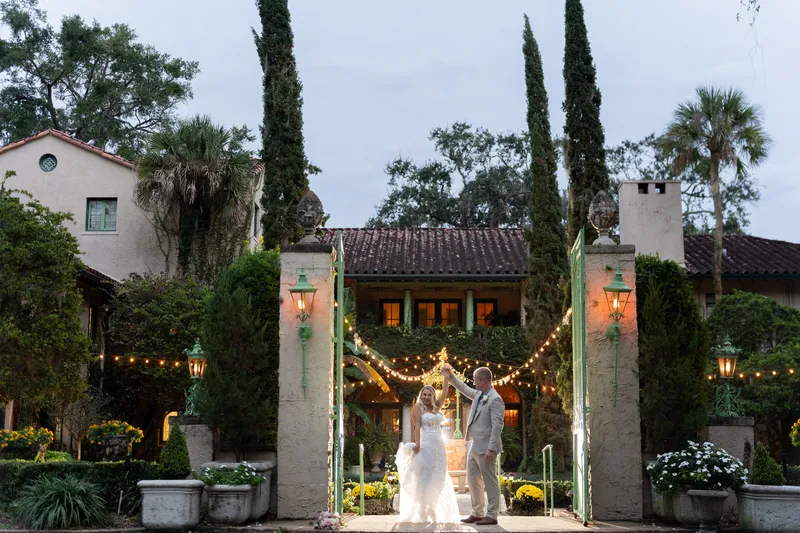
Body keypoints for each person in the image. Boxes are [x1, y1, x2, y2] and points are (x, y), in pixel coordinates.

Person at [442, 363, 505, 525]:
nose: (474, 382)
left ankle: (492, 515)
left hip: (487, 448)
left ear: (484, 380)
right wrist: (451, 377)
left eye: (476, 380)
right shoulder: (478, 394)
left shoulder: (496, 399)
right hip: (475, 446)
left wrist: (491, 448)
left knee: (489, 481)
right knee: (472, 479)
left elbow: (497, 426)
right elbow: (463, 388)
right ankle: (478, 513)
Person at [395, 377, 460, 524]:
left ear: (433, 396)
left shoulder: (437, 406)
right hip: (427, 445)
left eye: (429, 394)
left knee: (439, 476)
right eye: (424, 394)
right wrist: (417, 444)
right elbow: (417, 427)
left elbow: (444, 392)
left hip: (440, 447)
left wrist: (445, 377)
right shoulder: (417, 407)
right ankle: (423, 508)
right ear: (421, 395)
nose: (426, 397)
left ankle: (432, 506)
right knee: (425, 476)